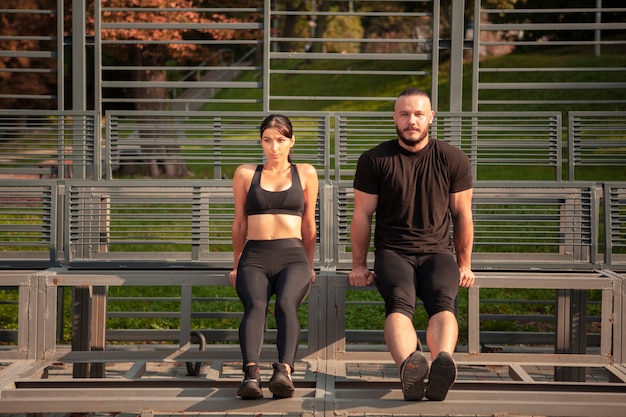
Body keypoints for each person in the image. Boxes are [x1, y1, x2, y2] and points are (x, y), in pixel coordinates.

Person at [348, 87, 475, 402]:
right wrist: (359, 265)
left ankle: (442, 361)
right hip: (393, 253)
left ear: (431, 117)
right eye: (404, 114)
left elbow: (462, 213)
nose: (411, 120)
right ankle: (410, 367)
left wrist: (464, 263)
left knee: (442, 300)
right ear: (394, 118)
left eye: (419, 114)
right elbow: (362, 215)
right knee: (399, 300)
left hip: (437, 253)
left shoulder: (452, 158)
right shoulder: (375, 159)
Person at [229, 114, 319, 400]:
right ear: (261, 142)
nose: (274, 147)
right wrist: (237, 263)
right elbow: (240, 223)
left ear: (292, 141)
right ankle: (251, 375)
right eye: (267, 140)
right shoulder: (246, 174)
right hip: (254, 256)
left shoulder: (305, 173)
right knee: (255, 304)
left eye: (280, 140)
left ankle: (284, 372)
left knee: (284, 303)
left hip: (293, 257)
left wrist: (309, 264)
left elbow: (308, 225)